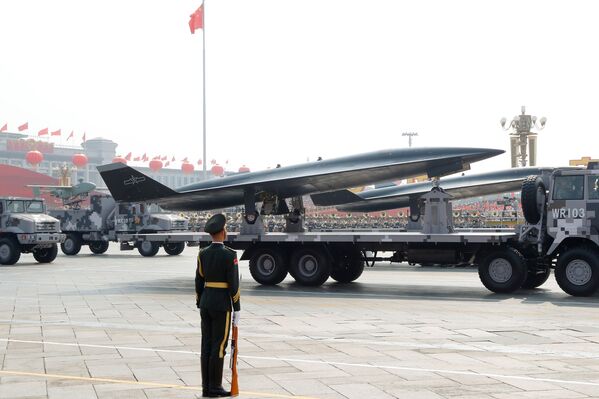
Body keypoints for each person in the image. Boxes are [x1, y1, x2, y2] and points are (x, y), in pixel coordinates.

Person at [195, 213, 241, 397]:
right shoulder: (230, 255)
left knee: (206, 344)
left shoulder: (202, 254)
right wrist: (236, 307)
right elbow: (234, 285)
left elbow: (198, 281)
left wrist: (200, 301)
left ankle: (206, 386)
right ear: (223, 232)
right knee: (219, 346)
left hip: (205, 302)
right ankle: (215, 387)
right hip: (222, 304)